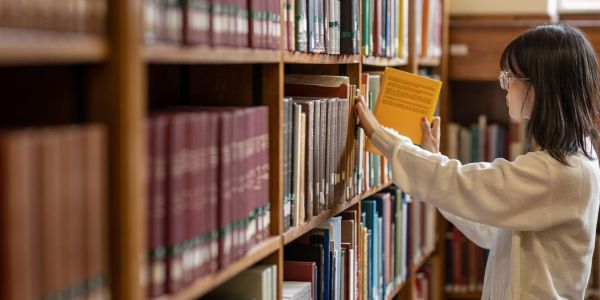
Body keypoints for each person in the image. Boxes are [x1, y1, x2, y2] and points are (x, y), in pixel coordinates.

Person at [355, 24, 600, 299]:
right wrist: (430, 162)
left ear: (541, 86)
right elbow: (489, 226)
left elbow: (465, 184)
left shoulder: (561, 171)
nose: (504, 86)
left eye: (509, 77)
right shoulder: (568, 159)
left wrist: (382, 136)